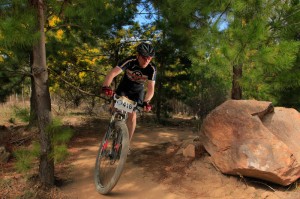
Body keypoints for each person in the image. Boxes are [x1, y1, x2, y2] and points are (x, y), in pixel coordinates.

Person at [101, 42, 156, 143]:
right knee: (115, 107)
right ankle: (113, 127)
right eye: (144, 57)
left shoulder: (151, 69)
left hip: (137, 92)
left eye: (149, 58)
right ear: (138, 55)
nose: (147, 61)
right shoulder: (130, 61)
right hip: (124, 88)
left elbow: (151, 88)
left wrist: (146, 101)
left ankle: (127, 143)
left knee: (132, 115)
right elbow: (113, 73)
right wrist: (106, 86)